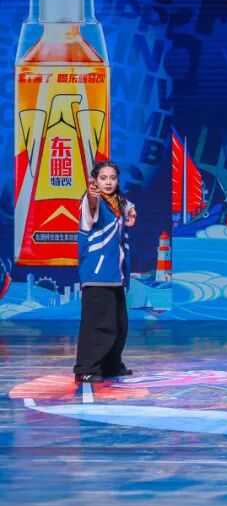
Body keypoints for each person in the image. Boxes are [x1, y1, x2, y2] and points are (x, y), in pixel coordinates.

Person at [73, 161, 137, 383]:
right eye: (103, 178)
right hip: (97, 275)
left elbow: (126, 204)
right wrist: (91, 196)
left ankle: (110, 365)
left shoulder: (117, 202)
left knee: (119, 325)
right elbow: (92, 205)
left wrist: (131, 210)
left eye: (112, 178)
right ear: (95, 181)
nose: (108, 182)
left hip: (115, 276)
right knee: (98, 325)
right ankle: (86, 368)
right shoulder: (92, 201)